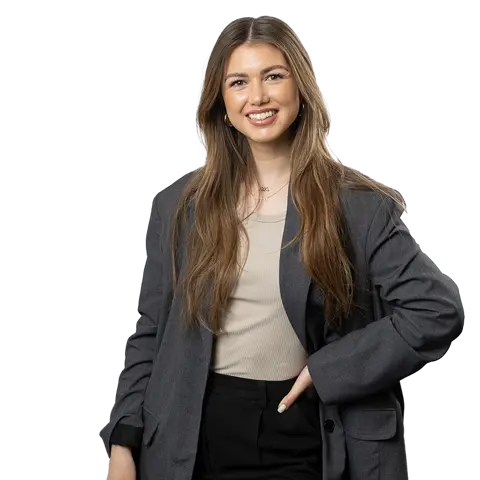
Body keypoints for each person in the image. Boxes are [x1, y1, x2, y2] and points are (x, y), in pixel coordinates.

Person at [99, 12, 465, 480]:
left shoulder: (358, 206)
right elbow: (150, 331)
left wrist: (329, 369)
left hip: (306, 430)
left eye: (273, 76)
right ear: (220, 101)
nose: (257, 97)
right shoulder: (177, 205)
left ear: (300, 87)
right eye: (238, 82)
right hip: (191, 434)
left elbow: (437, 309)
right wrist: (123, 442)